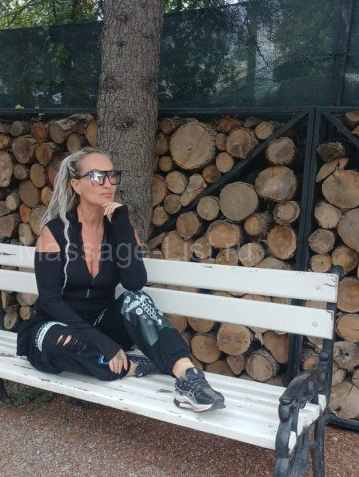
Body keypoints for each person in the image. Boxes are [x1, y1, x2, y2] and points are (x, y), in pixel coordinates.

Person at [17, 147, 225, 412]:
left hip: (105, 323)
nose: (108, 183)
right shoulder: (55, 232)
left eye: (112, 175)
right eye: (96, 176)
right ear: (76, 185)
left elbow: (134, 283)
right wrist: (102, 343)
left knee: (137, 300)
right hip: (59, 325)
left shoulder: (121, 230)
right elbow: (49, 300)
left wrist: (123, 225)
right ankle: (133, 367)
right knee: (54, 343)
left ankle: (190, 378)